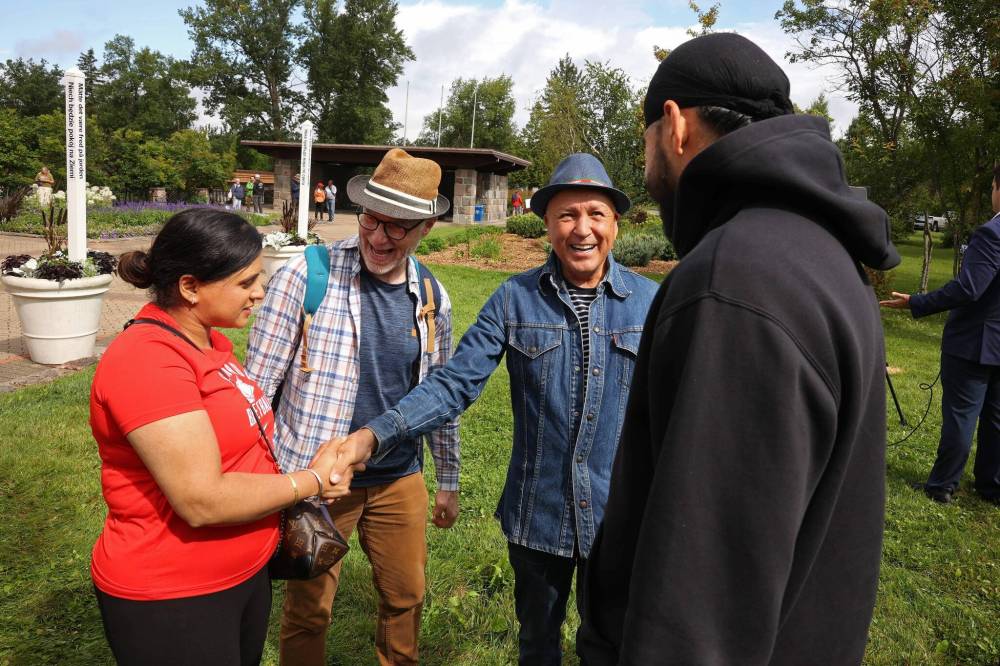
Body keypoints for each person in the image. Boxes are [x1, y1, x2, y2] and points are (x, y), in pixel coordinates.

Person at [576, 33, 900, 665]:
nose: (646, 167)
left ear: (674, 125)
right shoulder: (821, 254)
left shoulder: (734, 281)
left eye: (645, 142)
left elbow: (699, 608)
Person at [329, 153, 658, 665]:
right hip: (538, 516)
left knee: (612, 646)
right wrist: (373, 435)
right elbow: (454, 383)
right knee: (537, 645)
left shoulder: (651, 303)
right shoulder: (513, 299)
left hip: (619, 518)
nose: (582, 229)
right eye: (567, 215)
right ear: (546, 223)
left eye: (596, 213)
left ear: (615, 222)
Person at [89, 209, 346, 665]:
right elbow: (201, 500)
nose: (259, 292)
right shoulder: (148, 360)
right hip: (176, 593)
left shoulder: (208, 342)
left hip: (241, 575)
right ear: (190, 287)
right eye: (246, 282)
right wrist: (311, 481)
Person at [244, 148, 460, 666]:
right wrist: (261, 482)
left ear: (426, 229)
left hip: (398, 476)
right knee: (309, 610)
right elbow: (255, 391)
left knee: (405, 598)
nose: (379, 238)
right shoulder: (306, 276)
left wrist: (448, 479)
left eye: (398, 227)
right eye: (371, 219)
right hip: (318, 479)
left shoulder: (432, 297)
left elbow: (439, 397)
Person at [881, 165, 1000, 505]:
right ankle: (992, 485)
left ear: (998, 188)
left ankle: (942, 485)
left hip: (974, 342)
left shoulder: (991, 233)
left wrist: (917, 302)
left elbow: (969, 288)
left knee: (962, 415)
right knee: (996, 419)